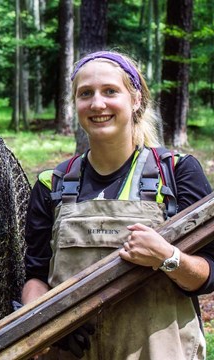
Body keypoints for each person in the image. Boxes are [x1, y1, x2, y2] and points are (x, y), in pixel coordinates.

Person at [21, 50, 213, 359]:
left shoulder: (177, 173)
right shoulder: (51, 184)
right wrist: (42, 321)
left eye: (110, 91)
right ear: (76, 105)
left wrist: (168, 257)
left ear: (135, 99)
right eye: (86, 94)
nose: (97, 104)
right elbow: (36, 275)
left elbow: (209, 272)